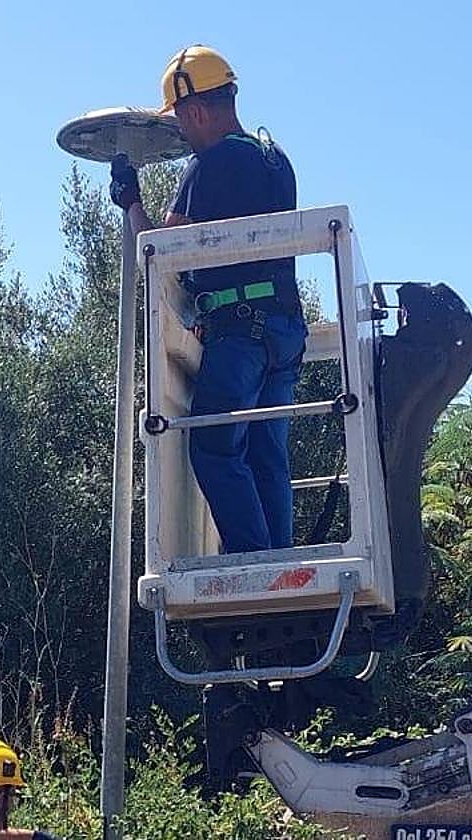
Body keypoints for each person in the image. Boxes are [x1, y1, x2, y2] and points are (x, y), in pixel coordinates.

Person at [109, 45, 308, 554]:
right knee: (266, 453)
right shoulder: (274, 160)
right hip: (284, 330)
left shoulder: (212, 163)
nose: (181, 132)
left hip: (240, 332)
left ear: (196, 109)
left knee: (215, 446)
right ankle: (276, 565)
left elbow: (162, 255)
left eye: (179, 119)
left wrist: (131, 201)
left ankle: (251, 562)